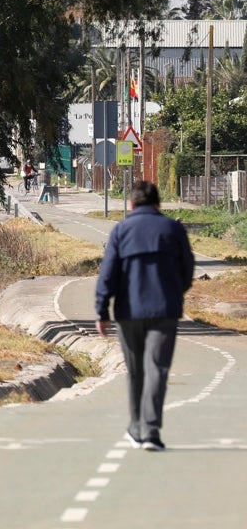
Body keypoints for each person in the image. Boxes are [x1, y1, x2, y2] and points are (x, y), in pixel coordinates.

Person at [95, 180, 194, 452]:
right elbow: (188, 270)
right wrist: (174, 292)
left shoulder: (121, 230)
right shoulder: (173, 229)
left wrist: (102, 311)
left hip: (128, 313)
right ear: (158, 204)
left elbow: (108, 275)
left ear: (131, 204)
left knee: (136, 371)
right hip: (165, 312)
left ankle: (136, 428)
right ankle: (149, 431)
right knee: (157, 370)